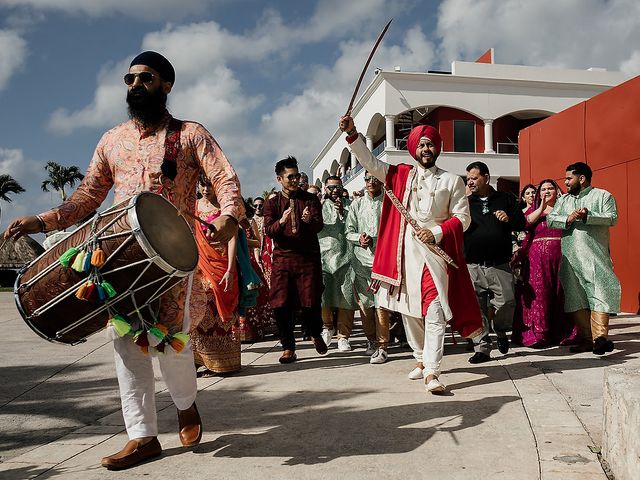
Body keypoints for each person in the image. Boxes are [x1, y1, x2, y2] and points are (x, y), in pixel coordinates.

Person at [3, 51, 244, 470]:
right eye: (129, 79)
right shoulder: (111, 140)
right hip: (116, 259)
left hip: (173, 262)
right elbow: (87, 197)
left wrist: (228, 216)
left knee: (172, 348)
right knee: (128, 349)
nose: (135, 85)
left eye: (145, 78)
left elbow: (224, 178)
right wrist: (41, 220)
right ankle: (142, 436)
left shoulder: (189, 134)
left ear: (166, 85)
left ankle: (186, 405)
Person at [339, 116, 483, 394]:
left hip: (435, 254)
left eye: (430, 144)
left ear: (437, 149)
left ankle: (432, 370)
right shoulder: (400, 174)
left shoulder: (451, 181)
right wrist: (353, 134)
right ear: (413, 149)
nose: (426, 149)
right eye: (421, 145)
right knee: (409, 311)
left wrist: (438, 232)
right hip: (403, 256)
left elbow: (462, 219)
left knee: (435, 308)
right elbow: (371, 163)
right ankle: (419, 358)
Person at [546, 162, 620, 355]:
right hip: (570, 258)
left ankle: (600, 338)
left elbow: (612, 217)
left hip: (594, 255)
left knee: (600, 294)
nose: (566, 183)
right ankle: (587, 339)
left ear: (582, 178)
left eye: (569, 178)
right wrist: (568, 218)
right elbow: (550, 219)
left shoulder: (603, 196)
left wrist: (589, 215)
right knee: (575, 299)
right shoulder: (564, 201)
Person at [263, 156, 328, 363]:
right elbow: (268, 231)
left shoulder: (310, 199)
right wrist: (281, 221)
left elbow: (319, 226)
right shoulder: (272, 203)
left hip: (307, 258)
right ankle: (288, 347)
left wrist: (309, 221)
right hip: (283, 259)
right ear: (279, 179)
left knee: (310, 301)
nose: (295, 180)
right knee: (281, 303)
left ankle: (315, 333)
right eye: (290, 177)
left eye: (297, 175)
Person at [464, 162, 525, 363]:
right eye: (468, 179)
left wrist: (508, 219)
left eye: (474, 178)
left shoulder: (505, 198)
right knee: (476, 307)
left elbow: (522, 222)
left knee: (508, 302)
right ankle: (482, 347)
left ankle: (500, 331)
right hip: (472, 264)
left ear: (486, 178)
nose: (470, 182)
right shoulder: (464, 202)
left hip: (500, 263)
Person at [511, 179, 577, 348]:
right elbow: (526, 223)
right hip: (537, 258)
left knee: (560, 293)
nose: (546, 191)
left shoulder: (564, 208)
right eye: (543, 189)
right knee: (541, 293)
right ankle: (540, 333)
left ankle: (562, 333)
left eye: (550, 188)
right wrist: (541, 207)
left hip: (561, 255)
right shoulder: (534, 210)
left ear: (557, 191)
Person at [190, 175, 241, 375]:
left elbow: (232, 241)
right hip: (199, 264)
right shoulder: (193, 207)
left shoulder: (226, 209)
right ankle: (198, 359)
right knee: (200, 309)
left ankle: (224, 361)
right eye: (202, 185)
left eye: (209, 185)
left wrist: (230, 269)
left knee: (222, 314)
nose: (206, 189)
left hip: (221, 264)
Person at [345, 171, 390, 363]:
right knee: (366, 306)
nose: (371, 182)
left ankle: (383, 346)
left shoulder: (389, 203)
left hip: (383, 262)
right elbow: (349, 231)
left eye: (374, 178)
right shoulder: (357, 204)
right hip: (361, 262)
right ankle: (371, 340)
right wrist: (359, 238)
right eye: (367, 179)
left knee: (382, 305)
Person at [319, 176, 357, 351]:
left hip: (347, 257)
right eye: (331, 187)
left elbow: (357, 225)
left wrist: (344, 212)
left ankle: (343, 336)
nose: (334, 190)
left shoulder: (351, 205)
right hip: (323, 257)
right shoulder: (317, 206)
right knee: (323, 297)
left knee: (346, 298)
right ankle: (327, 327)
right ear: (325, 188)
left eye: (338, 187)